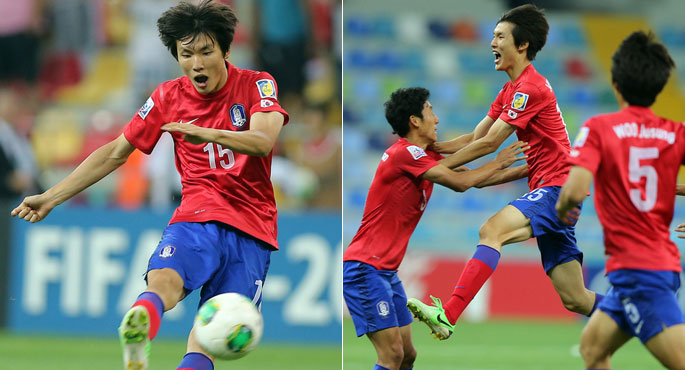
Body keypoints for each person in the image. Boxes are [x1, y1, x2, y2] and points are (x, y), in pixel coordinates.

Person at [11, 1, 289, 370]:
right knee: (163, 285)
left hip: (251, 228)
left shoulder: (257, 83)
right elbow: (114, 153)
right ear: (176, 55)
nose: (197, 63)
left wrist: (203, 132)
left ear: (225, 50)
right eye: (186, 54)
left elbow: (263, 141)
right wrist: (51, 196)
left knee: (210, 335)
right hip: (198, 214)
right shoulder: (167, 96)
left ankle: (147, 315)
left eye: (206, 52)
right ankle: (141, 320)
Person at [406, 4, 603, 340]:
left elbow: (490, 144)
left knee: (492, 230)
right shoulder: (510, 91)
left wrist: (432, 170)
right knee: (576, 299)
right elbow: (474, 137)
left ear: (521, 45)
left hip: (558, 188)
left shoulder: (531, 87)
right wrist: (427, 148)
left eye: (499, 36)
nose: (492, 43)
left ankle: (447, 314)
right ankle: (646, 316)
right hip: (552, 188)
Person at [343, 87, 528, 370]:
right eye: (431, 111)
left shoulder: (422, 158)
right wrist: (496, 160)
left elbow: (476, 176)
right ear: (415, 120)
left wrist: (533, 169)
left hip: (385, 272)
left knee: (407, 355)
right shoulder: (403, 154)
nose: (437, 119)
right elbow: (460, 182)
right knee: (391, 355)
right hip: (365, 268)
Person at [556, 31, 685, 370]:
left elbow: (572, 190)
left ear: (615, 83)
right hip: (648, 266)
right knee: (593, 350)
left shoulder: (600, 127)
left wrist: (561, 210)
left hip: (640, 271)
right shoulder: (676, 132)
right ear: (659, 87)